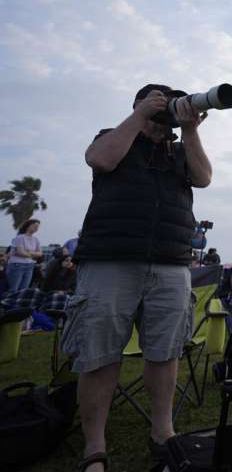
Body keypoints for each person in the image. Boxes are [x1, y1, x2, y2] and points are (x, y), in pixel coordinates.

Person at [61, 83, 212, 472]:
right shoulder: (114, 137)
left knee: (166, 351)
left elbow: (204, 178)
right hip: (111, 259)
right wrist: (140, 115)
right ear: (139, 104)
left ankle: (163, 432)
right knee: (99, 354)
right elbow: (100, 160)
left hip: (171, 263)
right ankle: (95, 446)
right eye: (158, 102)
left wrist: (191, 129)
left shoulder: (179, 151)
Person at [6, 219, 43, 292]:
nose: (36, 228)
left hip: (29, 265)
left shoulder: (36, 239)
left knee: (24, 290)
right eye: (34, 226)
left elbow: (40, 254)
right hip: (17, 265)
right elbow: (20, 252)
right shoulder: (20, 237)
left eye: (37, 227)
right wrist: (33, 254)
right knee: (13, 289)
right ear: (28, 226)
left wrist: (28, 252)